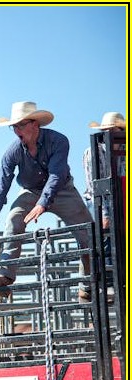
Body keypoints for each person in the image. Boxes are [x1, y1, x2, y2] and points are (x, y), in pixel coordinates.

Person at [0, 102, 93, 301]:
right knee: (14, 219)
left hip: (62, 190)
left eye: (21, 125)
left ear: (35, 124)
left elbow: (56, 175)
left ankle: (87, 285)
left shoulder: (58, 141)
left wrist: (43, 202)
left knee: (87, 233)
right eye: (14, 126)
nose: (17, 130)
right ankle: (5, 276)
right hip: (31, 191)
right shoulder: (13, 151)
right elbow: (1, 184)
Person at [82, 111, 125, 302]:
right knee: (105, 234)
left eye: (113, 130)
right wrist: (106, 213)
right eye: (106, 130)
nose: (109, 134)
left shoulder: (125, 150)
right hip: (97, 199)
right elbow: (95, 186)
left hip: (119, 198)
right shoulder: (93, 152)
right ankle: (107, 283)